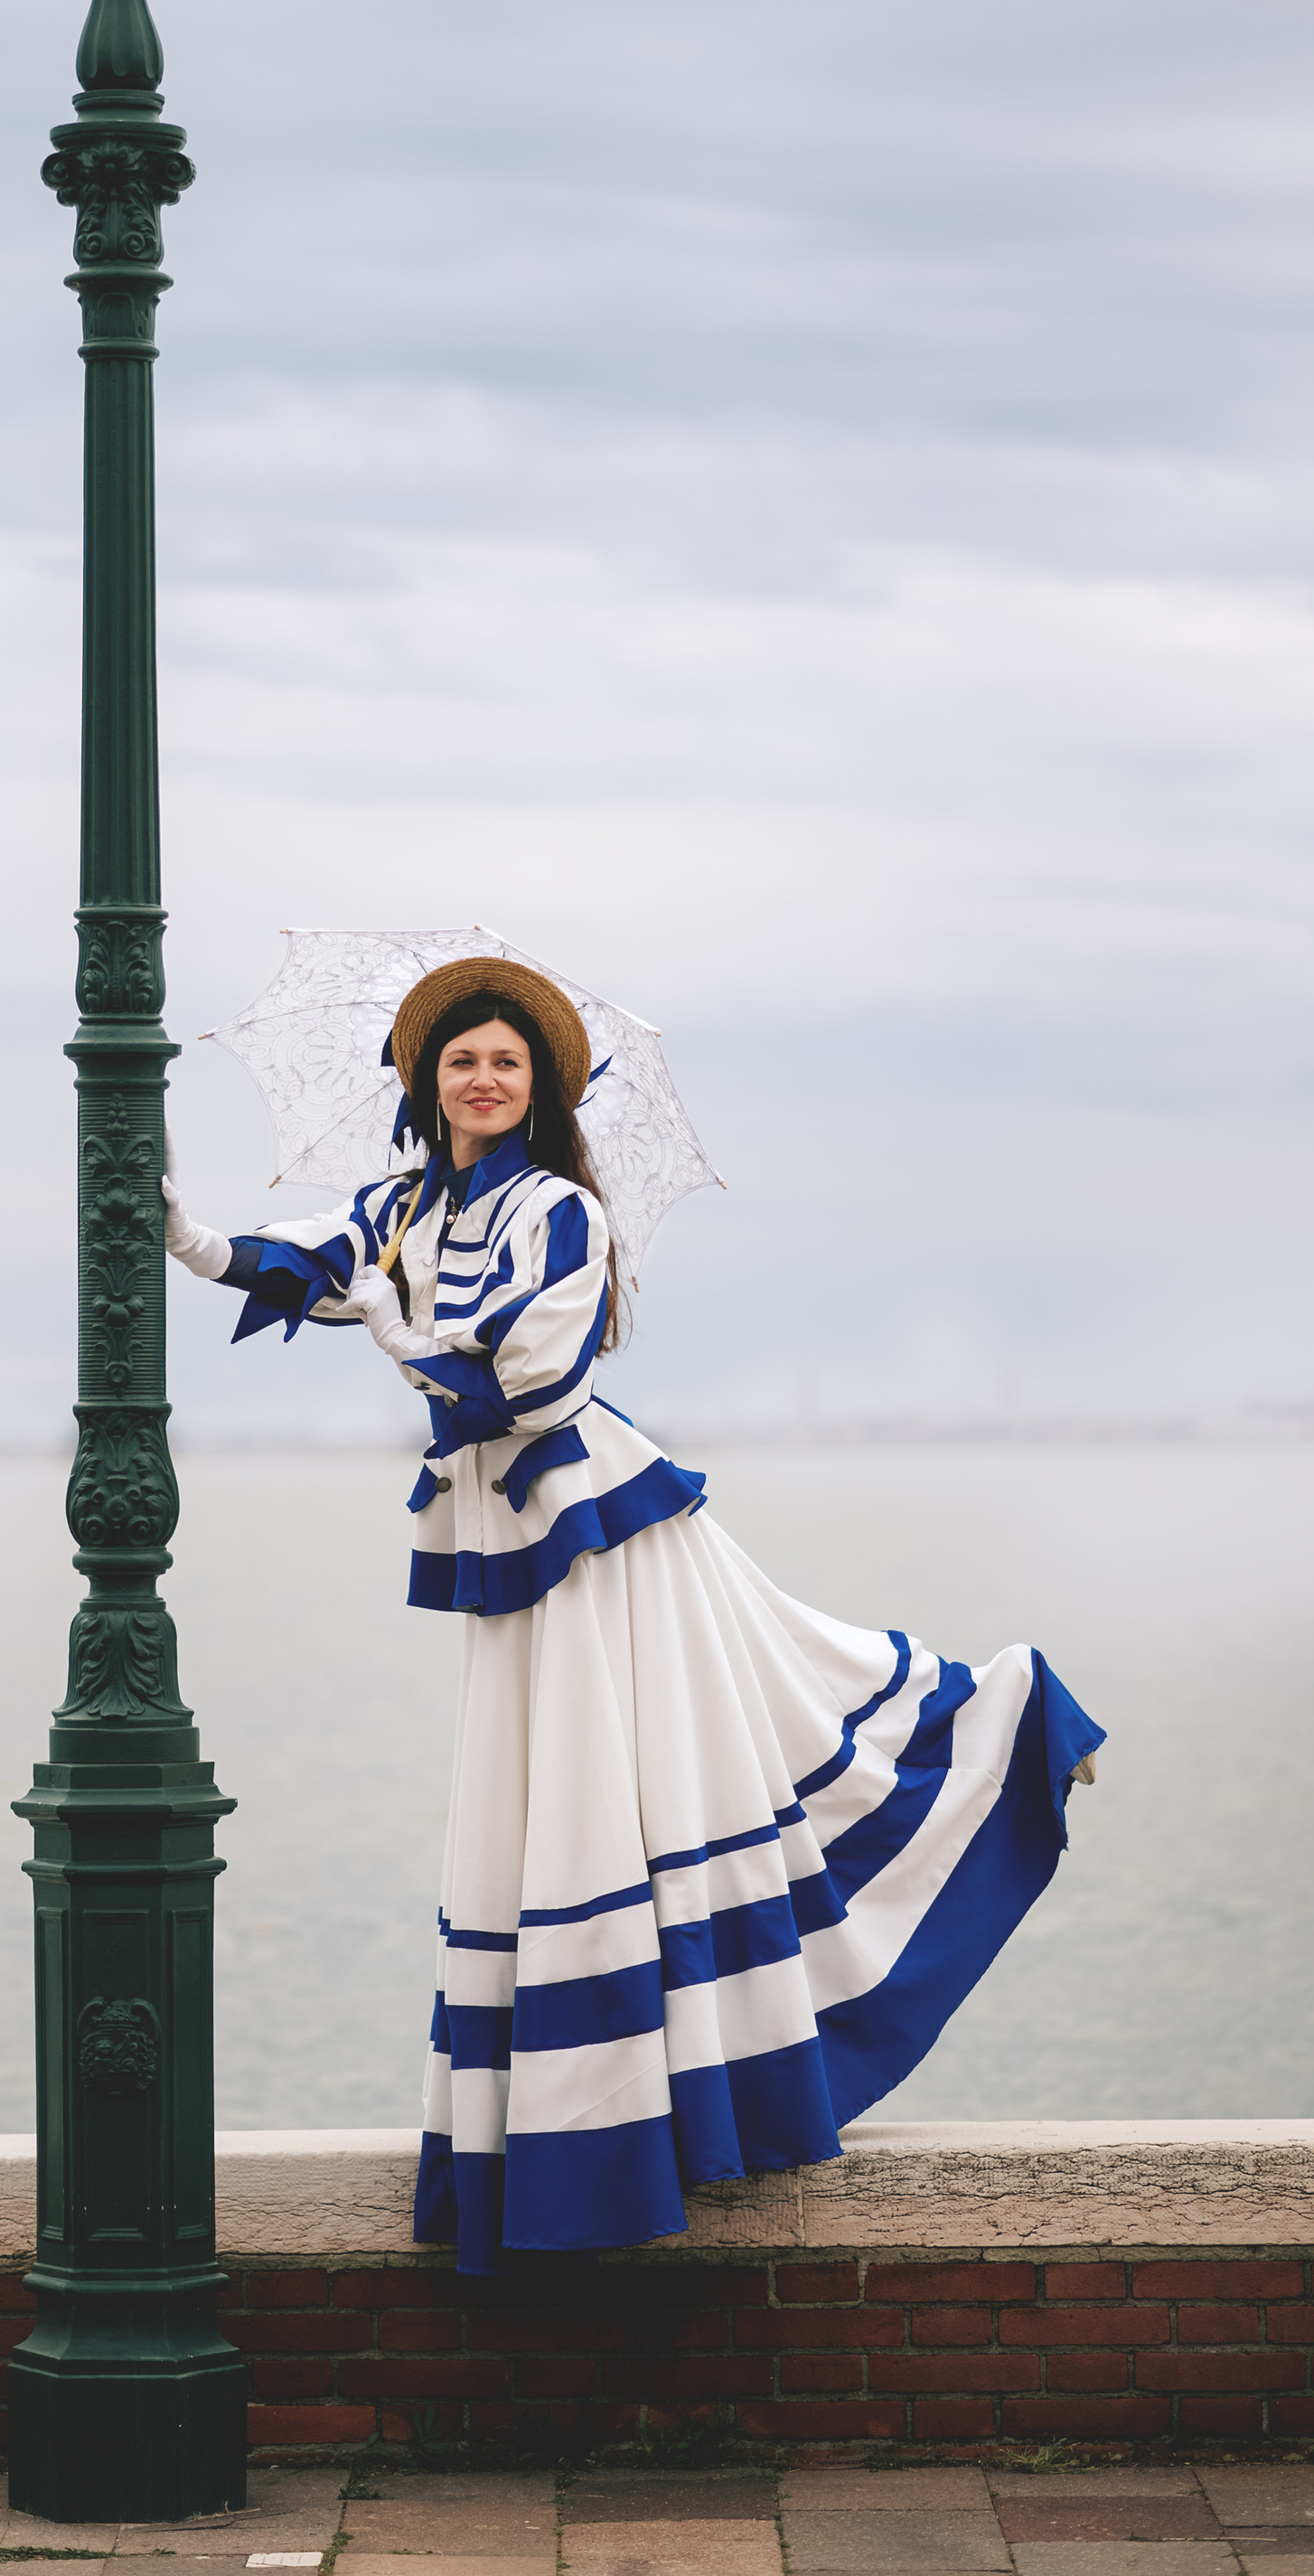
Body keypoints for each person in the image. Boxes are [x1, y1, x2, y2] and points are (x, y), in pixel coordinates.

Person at [161, 949, 1103, 2279]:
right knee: (559, 1811)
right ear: (428, 1082)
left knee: (702, 1751)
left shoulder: (560, 1214)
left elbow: (529, 1385)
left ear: (538, 1087)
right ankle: (587, 2126)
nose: (482, 1078)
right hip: (515, 1540)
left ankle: (1007, 1721)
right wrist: (188, 1235)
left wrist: (386, 1322)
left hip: (603, 1532)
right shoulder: (401, 1202)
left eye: (506, 1061)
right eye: (460, 1060)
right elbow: (305, 1261)